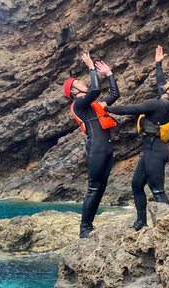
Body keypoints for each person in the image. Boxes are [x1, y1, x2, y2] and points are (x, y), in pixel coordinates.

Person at [103, 45, 169, 231]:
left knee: (158, 191)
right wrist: (158, 64)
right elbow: (161, 83)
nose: (165, 83)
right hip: (151, 150)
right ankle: (141, 223)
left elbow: (131, 109)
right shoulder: (167, 103)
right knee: (136, 185)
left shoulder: (157, 104)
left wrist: (107, 108)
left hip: (155, 151)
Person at [63, 52, 120, 238]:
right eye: (78, 82)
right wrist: (91, 68)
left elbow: (114, 94)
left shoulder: (95, 105)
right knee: (94, 188)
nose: (83, 82)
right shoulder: (79, 103)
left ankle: (90, 226)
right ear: (73, 90)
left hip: (106, 146)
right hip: (95, 146)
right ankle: (84, 229)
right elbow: (95, 90)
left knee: (101, 187)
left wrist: (109, 73)